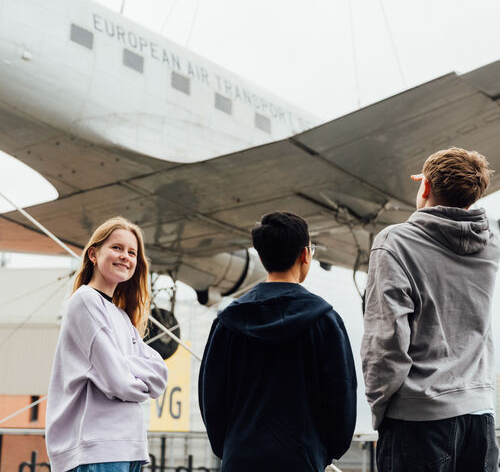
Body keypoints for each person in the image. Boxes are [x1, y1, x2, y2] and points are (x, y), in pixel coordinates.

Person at [361, 147, 500, 471]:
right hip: (480, 416)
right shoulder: (490, 244)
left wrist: (381, 410)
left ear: (424, 186)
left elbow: (386, 341)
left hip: (417, 419)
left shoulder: (395, 243)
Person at [199, 211, 357, 472]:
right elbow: (341, 396)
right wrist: (325, 452)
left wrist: (229, 447)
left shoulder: (227, 323)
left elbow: (212, 398)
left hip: (240, 458)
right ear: (305, 255)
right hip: (302, 459)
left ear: (261, 258)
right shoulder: (325, 321)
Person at [46, 217, 168, 472]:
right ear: (93, 254)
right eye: (117, 248)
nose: (125, 256)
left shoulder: (121, 316)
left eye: (132, 252)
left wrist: (122, 365)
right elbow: (119, 382)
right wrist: (130, 372)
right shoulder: (85, 301)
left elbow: (159, 376)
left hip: (129, 447)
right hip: (96, 448)